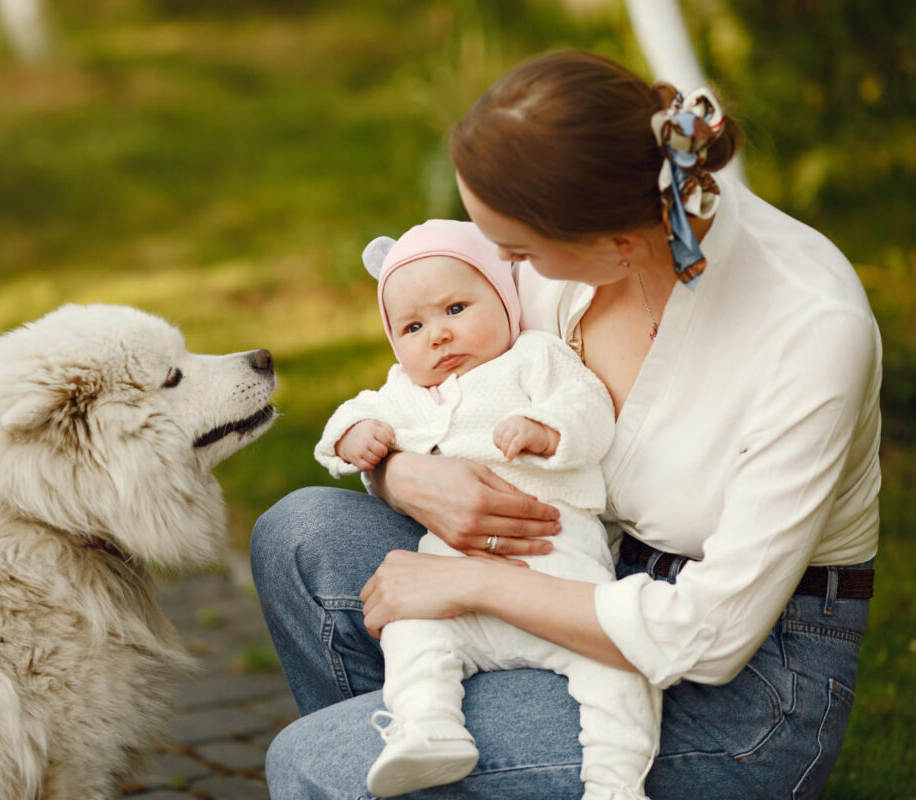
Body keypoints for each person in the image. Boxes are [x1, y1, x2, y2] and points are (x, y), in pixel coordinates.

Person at [251, 49, 881, 799]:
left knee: (316, 761)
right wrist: (404, 474)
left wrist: (469, 582)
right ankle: (425, 743)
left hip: (744, 681)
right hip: (572, 555)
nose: (500, 264)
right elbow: (442, 392)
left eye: (516, 251)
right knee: (298, 536)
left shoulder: (809, 328)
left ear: (618, 247)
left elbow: (708, 636)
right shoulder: (597, 241)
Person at [314, 218, 659, 799]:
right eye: (413, 327)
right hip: (452, 595)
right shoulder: (405, 391)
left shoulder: (533, 358)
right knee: (410, 631)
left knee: (616, 665)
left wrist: (547, 429)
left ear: (504, 300)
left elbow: (589, 406)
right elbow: (350, 414)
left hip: (557, 572)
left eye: (455, 309)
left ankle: (616, 780)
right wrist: (356, 437)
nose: (439, 336)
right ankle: (428, 729)